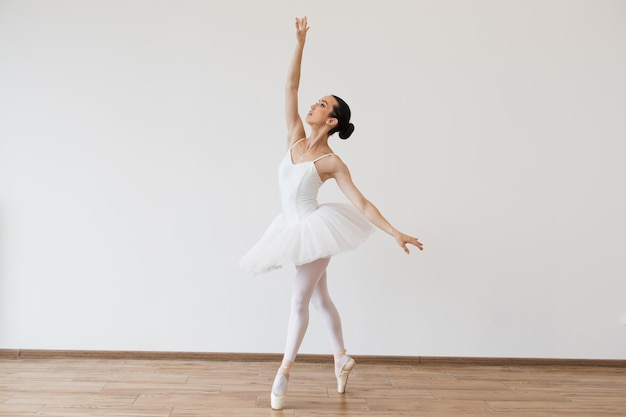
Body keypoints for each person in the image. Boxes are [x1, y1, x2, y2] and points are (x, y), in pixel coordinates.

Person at [239, 16, 423, 410]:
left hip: (314, 232)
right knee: (321, 300)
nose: (312, 105)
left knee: (298, 301)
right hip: (287, 229)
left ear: (332, 120)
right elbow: (290, 86)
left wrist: (394, 232)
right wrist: (300, 43)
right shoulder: (294, 137)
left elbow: (361, 203)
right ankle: (342, 358)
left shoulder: (330, 161)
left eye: (321, 104)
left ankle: (284, 371)